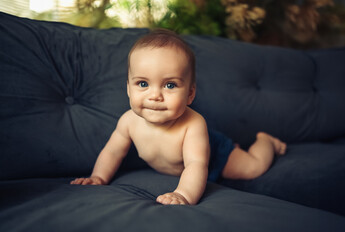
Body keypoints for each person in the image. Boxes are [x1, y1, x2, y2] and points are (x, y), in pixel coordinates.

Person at [71, 29, 287, 205]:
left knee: (253, 168)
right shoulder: (128, 121)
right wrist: (98, 177)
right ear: (128, 88)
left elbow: (195, 165)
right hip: (188, 163)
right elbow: (113, 151)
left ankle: (265, 141)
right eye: (143, 84)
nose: (155, 96)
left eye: (170, 85)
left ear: (190, 94)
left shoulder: (193, 124)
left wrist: (183, 194)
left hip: (214, 155)